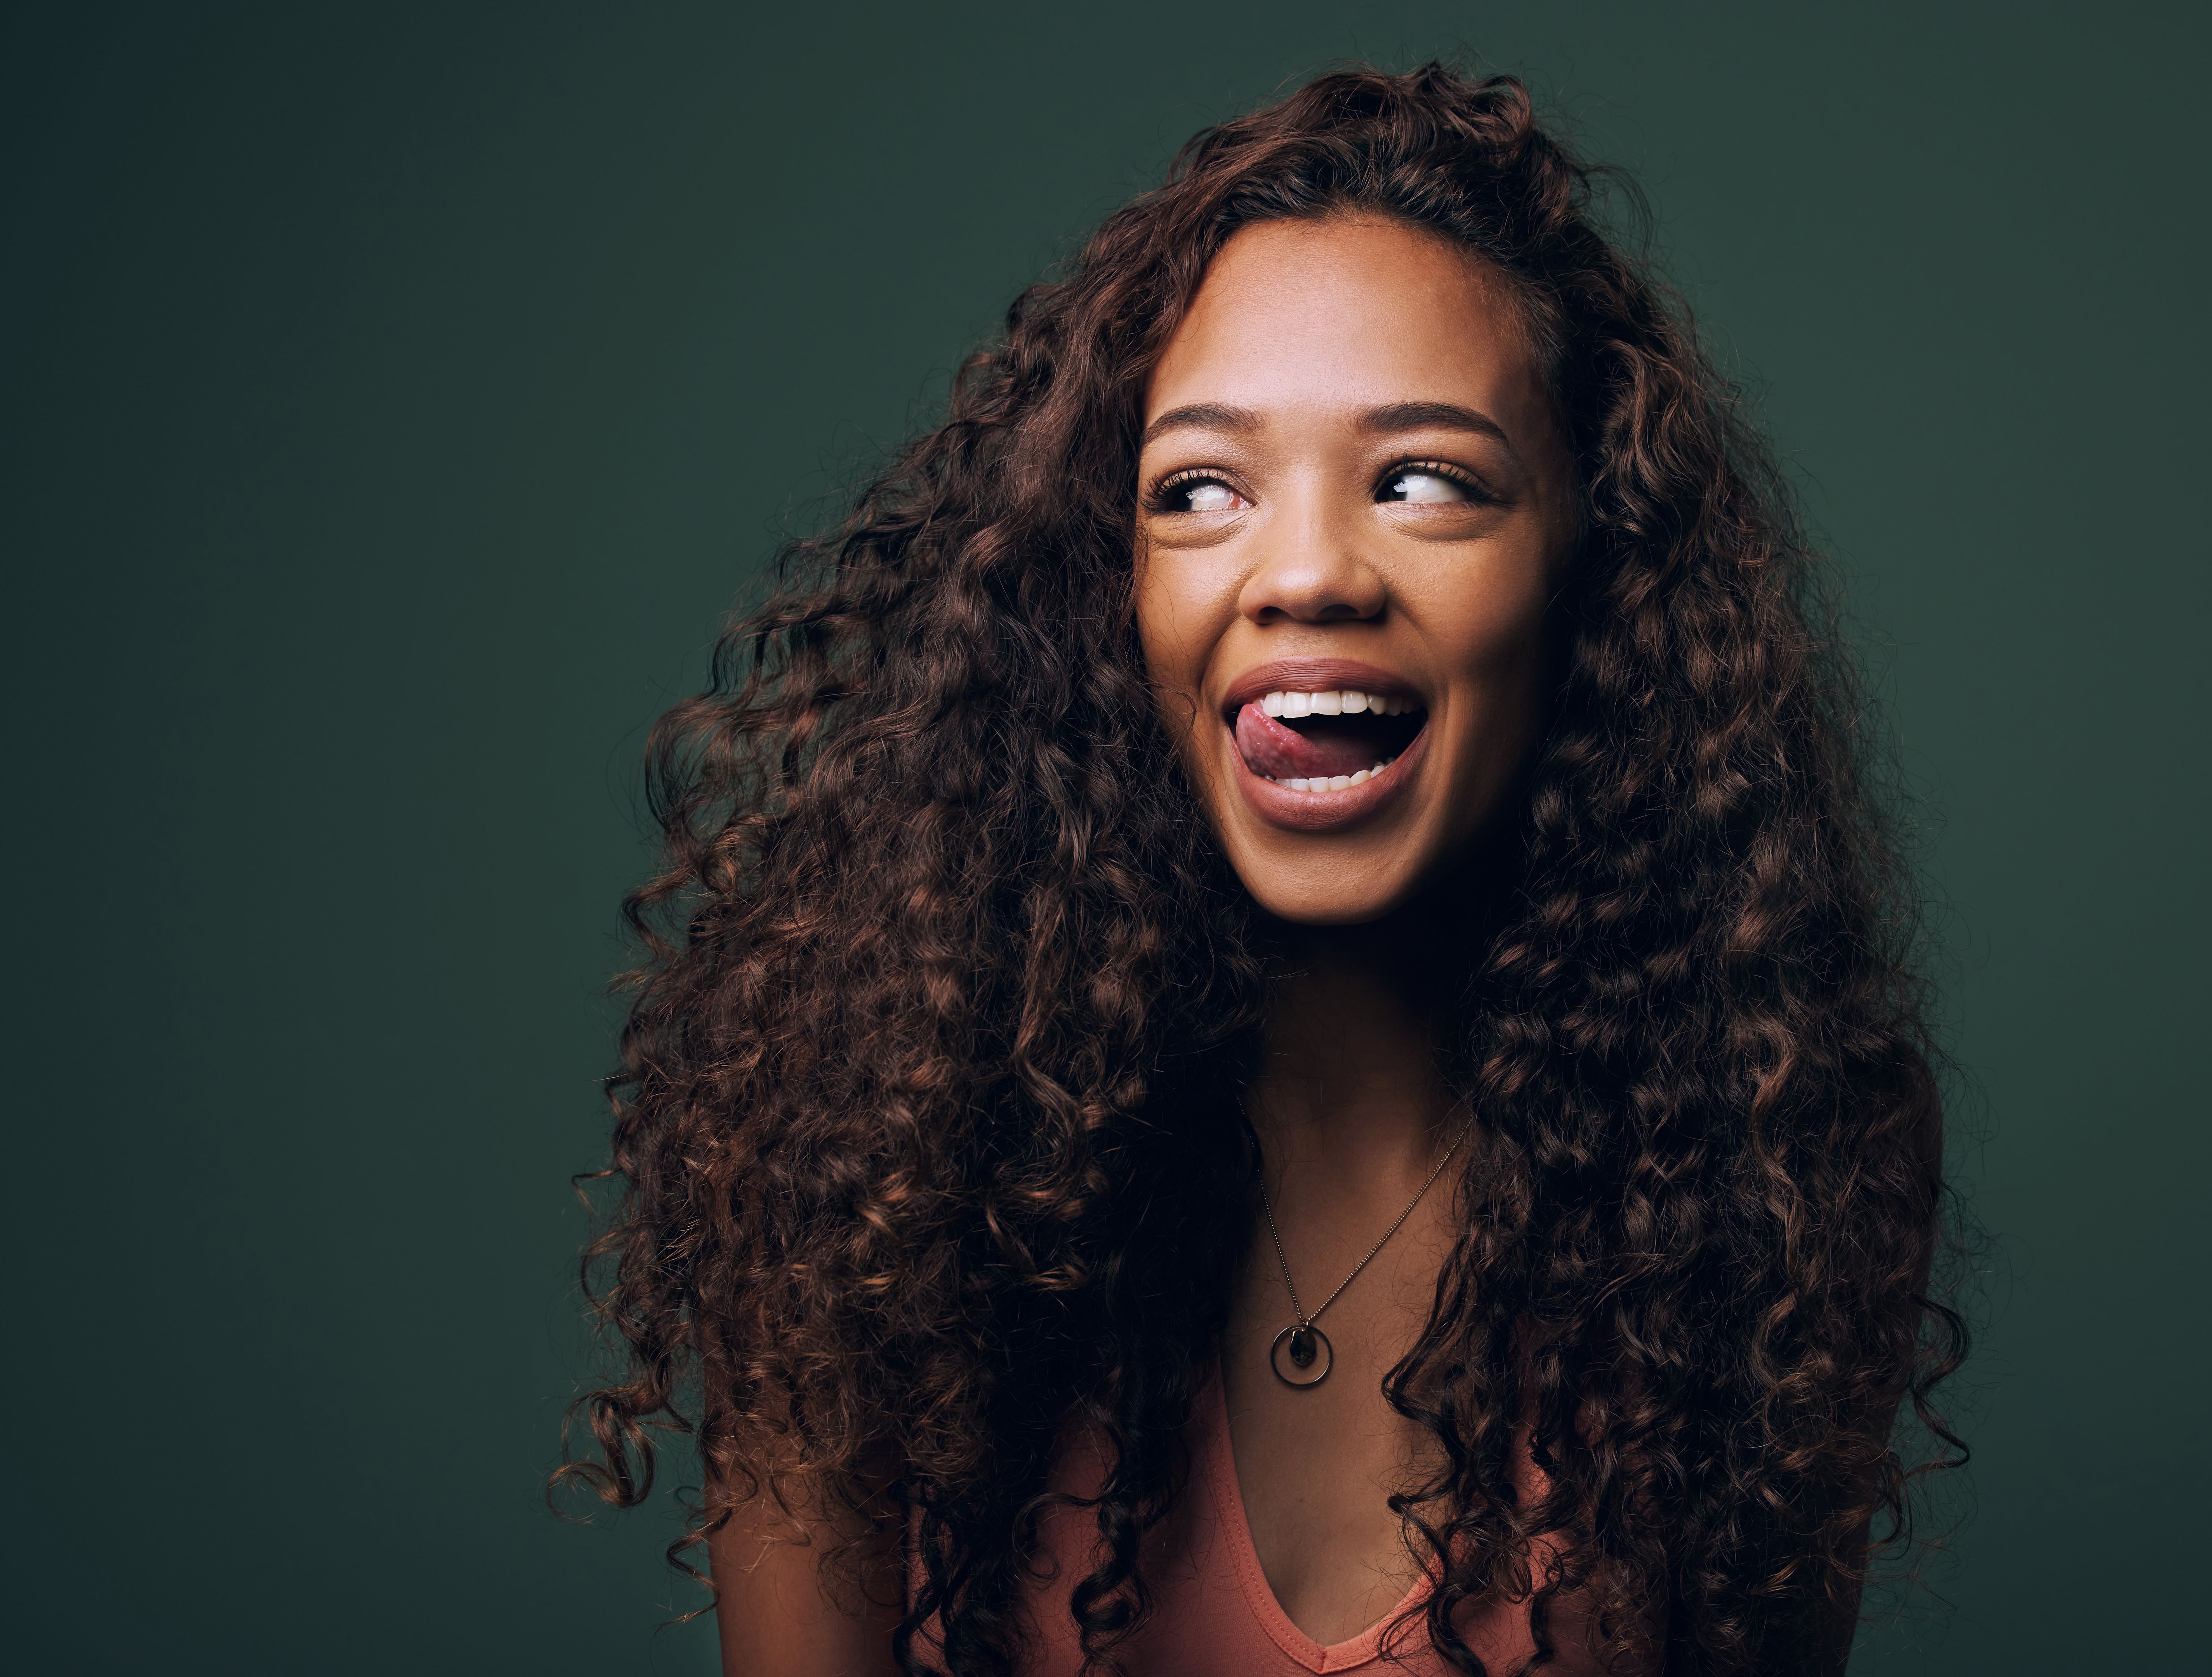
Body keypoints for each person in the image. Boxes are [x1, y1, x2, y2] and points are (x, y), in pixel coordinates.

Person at [561, 64, 1965, 1677]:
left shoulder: (1785, 1147)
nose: (1302, 574)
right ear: (1110, 594)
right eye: (1202, 490)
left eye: (1424, 479)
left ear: (1596, 568)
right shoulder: (854, 1121)